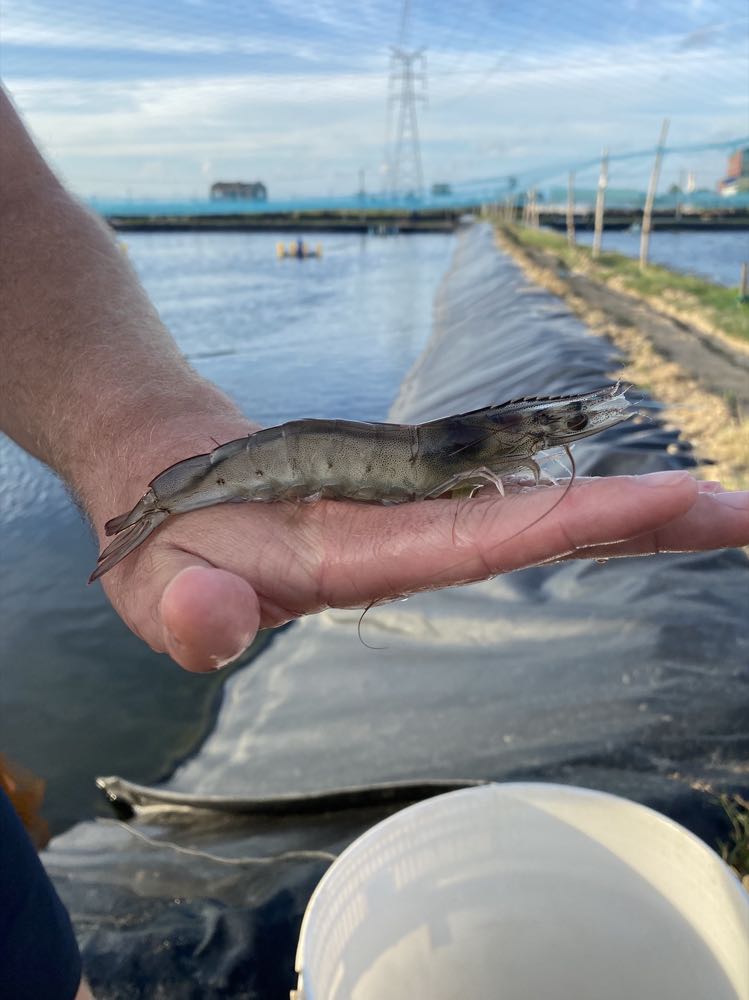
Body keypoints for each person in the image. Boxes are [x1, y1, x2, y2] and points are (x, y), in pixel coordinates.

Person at [1, 83, 748, 998]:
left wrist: (132, 426)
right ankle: (160, 506)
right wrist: (154, 479)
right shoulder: (389, 458)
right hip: (254, 471)